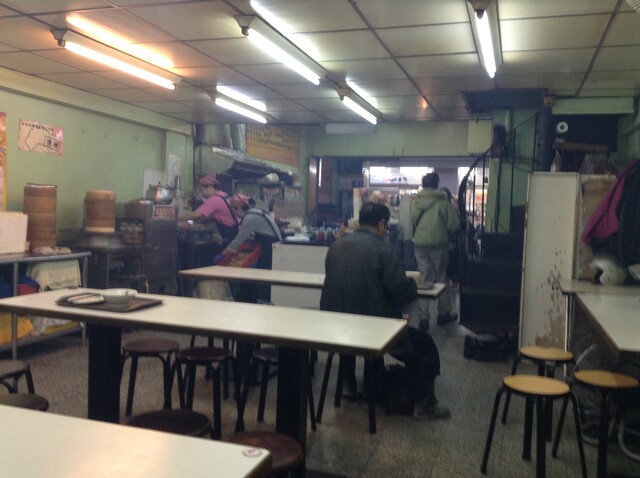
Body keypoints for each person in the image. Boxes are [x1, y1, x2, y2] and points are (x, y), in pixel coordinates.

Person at [320, 202, 450, 420]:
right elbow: (401, 291)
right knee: (425, 346)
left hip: (335, 328)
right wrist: (412, 284)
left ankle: (348, 385)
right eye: (386, 227)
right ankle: (425, 405)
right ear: (381, 224)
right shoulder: (383, 251)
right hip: (372, 330)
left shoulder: (336, 247)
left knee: (350, 325)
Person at [412, 172, 460, 326]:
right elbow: (454, 225)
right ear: (437, 184)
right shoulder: (443, 202)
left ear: (423, 185)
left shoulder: (417, 201)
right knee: (441, 277)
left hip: (420, 243)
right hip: (438, 244)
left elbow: (413, 220)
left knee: (424, 279)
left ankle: (423, 318)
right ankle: (443, 313)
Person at [219, 193, 283, 303]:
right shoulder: (255, 212)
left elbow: (239, 239)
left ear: (238, 208)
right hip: (268, 244)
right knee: (260, 276)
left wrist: (224, 253)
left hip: (270, 247)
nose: (234, 212)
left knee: (263, 277)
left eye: (233, 209)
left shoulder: (250, 218)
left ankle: (262, 302)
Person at [179, 174, 239, 248]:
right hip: (235, 232)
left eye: (201, 190)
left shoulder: (214, 200)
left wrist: (175, 219)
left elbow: (195, 215)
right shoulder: (224, 195)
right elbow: (218, 215)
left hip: (231, 236)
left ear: (209, 187)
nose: (201, 193)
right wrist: (196, 222)